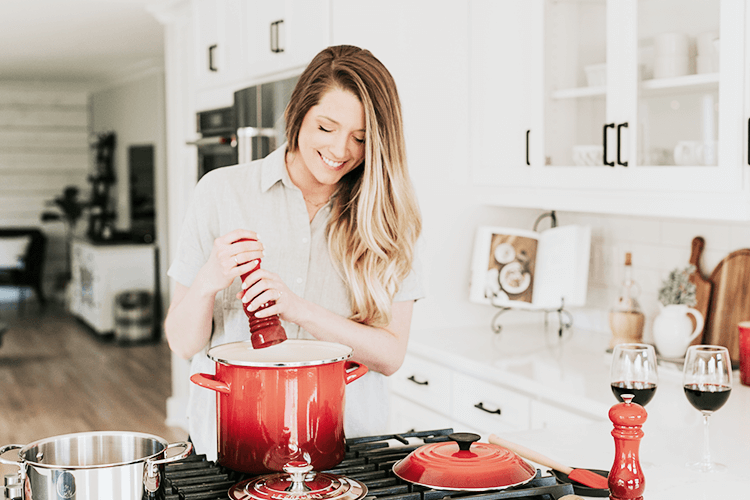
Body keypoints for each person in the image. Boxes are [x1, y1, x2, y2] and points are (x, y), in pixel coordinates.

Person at [165, 45, 423, 460]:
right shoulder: (221, 191)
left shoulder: (389, 217)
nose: (341, 150)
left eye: (361, 138)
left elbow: (390, 355)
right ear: (298, 114)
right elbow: (181, 342)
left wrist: (297, 308)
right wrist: (207, 282)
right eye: (326, 127)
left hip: (347, 450)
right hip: (232, 446)